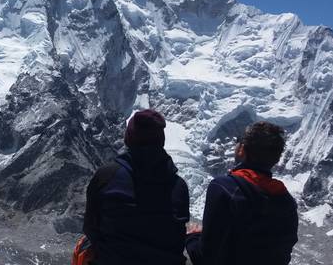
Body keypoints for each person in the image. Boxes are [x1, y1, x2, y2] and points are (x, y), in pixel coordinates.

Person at [82, 109, 190, 265]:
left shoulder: (107, 176)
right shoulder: (179, 187)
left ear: (129, 138)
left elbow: (90, 227)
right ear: (161, 140)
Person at [186, 121, 298, 265]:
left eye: (238, 141)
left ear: (241, 150)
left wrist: (192, 237)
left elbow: (205, 256)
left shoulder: (224, 188)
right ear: (276, 159)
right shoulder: (286, 201)